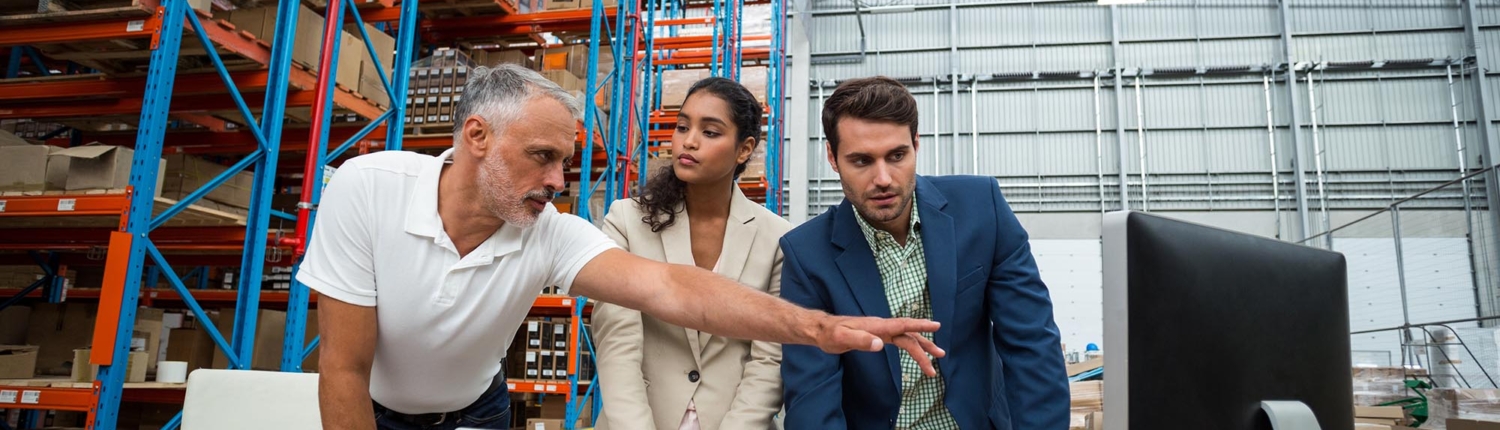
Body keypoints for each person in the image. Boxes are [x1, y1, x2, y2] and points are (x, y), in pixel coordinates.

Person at [299, 65, 945, 430]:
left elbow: (675, 290)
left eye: (565, 162)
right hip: (376, 411)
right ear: (477, 137)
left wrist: (819, 326)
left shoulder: (545, 229)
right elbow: (345, 372)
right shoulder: (368, 191)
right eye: (543, 158)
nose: (557, 183)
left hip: (479, 411)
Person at [778, 76, 1069, 429]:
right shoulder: (806, 254)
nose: (883, 178)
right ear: (832, 157)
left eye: (897, 155)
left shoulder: (981, 208)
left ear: (916, 144)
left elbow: (1032, 344)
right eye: (861, 161)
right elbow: (812, 397)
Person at [594, 77, 789, 430]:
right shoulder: (625, 221)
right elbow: (617, 340)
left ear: (744, 150)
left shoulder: (777, 238)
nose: (689, 141)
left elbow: (769, 358)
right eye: (682, 126)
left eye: (710, 132)